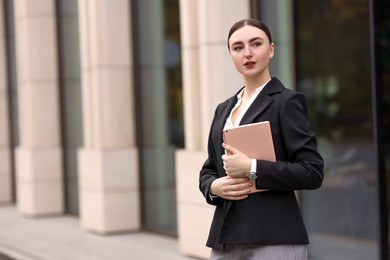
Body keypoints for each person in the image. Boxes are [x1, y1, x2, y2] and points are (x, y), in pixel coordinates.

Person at [199, 18, 324, 260]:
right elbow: (208, 170)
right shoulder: (223, 109)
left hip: (273, 235)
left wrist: (252, 168)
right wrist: (214, 187)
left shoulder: (287, 102)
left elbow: (312, 171)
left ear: (271, 49)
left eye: (256, 44)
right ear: (231, 55)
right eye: (238, 47)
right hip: (225, 238)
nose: (247, 53)